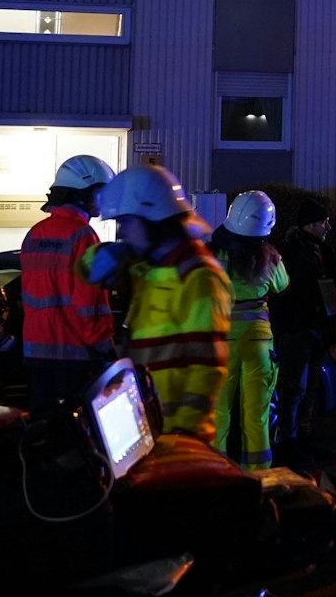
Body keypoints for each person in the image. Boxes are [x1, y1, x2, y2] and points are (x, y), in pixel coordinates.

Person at [79, 166, 230, 439]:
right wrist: (109, 253)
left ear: (153, 218)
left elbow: (205, 368)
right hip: (148, 427)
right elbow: (86, 271)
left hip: (177, 437)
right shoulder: (148, 267)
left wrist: (186, 437)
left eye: (126, 222)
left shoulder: (198, 276)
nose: (122, 232)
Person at [20, 155, 118, 411]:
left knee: (45, 433)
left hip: (37, 357)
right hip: (75, 357)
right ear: (81, 195)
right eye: (100, 192)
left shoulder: (34, 234)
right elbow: (90, 304)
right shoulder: (83, 235)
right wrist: (106, 351)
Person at [210, 191, 289, 468]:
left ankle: (217, 476)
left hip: (222, 341)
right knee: (257, 416)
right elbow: (282, 286)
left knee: (219, 414)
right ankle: (260, 480)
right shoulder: (271, 258)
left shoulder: (216, 255)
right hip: (259, 342)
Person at [272, 195, 336, 467]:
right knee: (294, 388)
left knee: (310, 388)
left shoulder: (322, 251)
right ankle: (286, 443)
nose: (328, 227)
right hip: (295, 331)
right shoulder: (288, 251)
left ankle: (304, 438)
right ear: (310, 225)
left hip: (316, 329)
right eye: (324, 222)